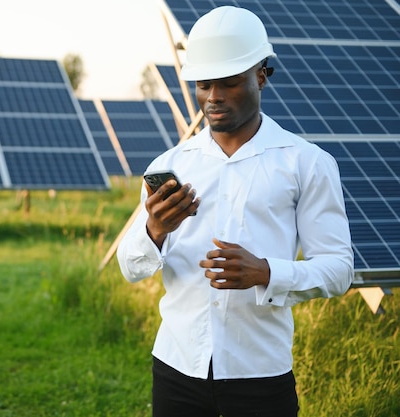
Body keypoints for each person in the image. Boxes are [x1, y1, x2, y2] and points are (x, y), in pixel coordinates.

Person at [116, 5, 354, 417]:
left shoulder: (307, 163)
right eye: (203, 84)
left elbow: (338, 269)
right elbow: (130, 267)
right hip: (176, 367)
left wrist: (267, 272)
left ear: (262, 74)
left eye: (228, 83)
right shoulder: (168, 165)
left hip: (260, 373)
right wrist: (154, 230)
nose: (213, 98)